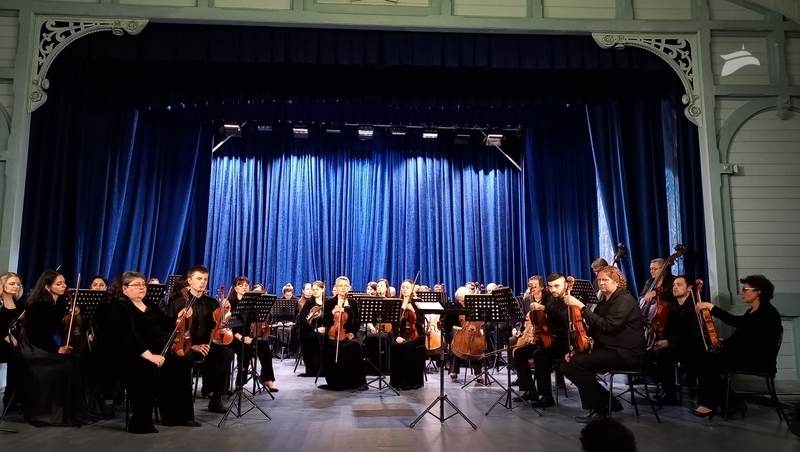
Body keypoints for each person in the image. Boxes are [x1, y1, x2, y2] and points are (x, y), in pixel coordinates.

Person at [690, 274, 782, 420]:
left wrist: (710, 307)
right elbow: (741, 335)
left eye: (745, 289)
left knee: (708, 361)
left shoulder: (768, 313)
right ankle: (733, 403)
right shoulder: (751, 312)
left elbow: (742, 330)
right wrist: (722, 345)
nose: (741, 292)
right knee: (703, 358)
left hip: (758, 360)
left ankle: (711, 404)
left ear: (758, 291)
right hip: (747, 355)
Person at [562, 266, 646, 423]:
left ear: (616, 282)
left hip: (626, 353)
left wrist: (581, 306)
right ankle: (609, 402)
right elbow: (594, 328)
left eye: (605, 280)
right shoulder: (605, 301)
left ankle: (600, 409)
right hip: (610, 349)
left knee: (578, 364)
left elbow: (607, 326)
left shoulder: (624, 300)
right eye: (599, 280)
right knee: (566, 365)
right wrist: (578, 350)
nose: (601, 283)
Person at [103, 271, 167, 433]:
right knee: (148, 370)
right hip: (123, 354)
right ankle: (140, 421)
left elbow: (167, 323)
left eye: (143, 284)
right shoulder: (118, 306)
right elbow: (128, 336)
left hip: (148, 351)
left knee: (177, 363)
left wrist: (180, 316)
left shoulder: (149, 303)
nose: (142, 288)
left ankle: (173, 416)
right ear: (125, 288)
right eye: (137, 285)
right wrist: (150, 356)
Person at [165, 266, 234, 413]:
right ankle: (184, 404)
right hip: (185, 345)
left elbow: (217, 327)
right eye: (199, 279)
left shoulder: (212, 303)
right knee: (184, 357)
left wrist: (224, 312)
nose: (202, 282)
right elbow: (169, 329)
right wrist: (193, 346)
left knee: (226, 353)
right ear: (189, 280)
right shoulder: (178, 302)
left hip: (206, 344)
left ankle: (216, 399)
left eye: (205, 279)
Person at [20, 269, 83, 426]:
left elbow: (61, 326)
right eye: (59, 284)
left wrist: (72, 313)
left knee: (78, 359)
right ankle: (51, 412)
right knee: (68, 363)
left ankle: (70, 409)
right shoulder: (37, 306)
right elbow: (36, 336)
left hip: (46, 346)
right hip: (35, 350)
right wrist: (56, 349)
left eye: (64, 282)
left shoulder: (58, 303)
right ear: (47, 287)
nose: (64, 286)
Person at [512, 273, 570, 407]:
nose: (553, 290)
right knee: (519, 352)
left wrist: (545, 309)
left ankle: (546, 396)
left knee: (539, 354)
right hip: (546, 339)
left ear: (565, 285)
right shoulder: (551, 300)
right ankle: (530, 390)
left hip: (562, 343)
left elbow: (563, 319)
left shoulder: (567, 300)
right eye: (551, 287)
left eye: (556, 286)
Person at [648, 275, 704, 405]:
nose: (675, 287)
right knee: (646, 354)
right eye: (674, 285)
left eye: (679, 285)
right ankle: (666, 384)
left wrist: (668, 342)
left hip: (690, 345)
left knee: (662, 354)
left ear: (689, 288)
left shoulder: (695, 307)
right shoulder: (672, 307)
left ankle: (670, 395)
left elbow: (693, 334)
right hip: (673, 343)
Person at [225, 276, 277, 392]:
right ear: (235, 288)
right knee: (244, 348)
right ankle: (240, 381)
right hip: (233, 337)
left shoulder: (253, 303)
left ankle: (268, 379)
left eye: (246, 285)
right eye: (241, 285)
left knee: (264, 345)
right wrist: (241, 337)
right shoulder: (230, 303)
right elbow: (228, 326)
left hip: (248, 336)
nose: (244, 287)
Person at [319, 276, 366, 390]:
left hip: (347, 334)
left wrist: (352, 333)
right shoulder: (329, 302)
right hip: (332, 335)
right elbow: (324, 321)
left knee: (355, 345)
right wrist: (332, 312)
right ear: (336, 287)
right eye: (340, 286)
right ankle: (337, 380)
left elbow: (357, 321)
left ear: (349, 288)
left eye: (346, 286)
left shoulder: (353, 303)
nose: (343, 288)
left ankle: (353, 381)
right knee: (335, 347)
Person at [389, 279, 425, 390]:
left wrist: (414, 310)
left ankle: (410, 382)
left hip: (416, 335)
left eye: (407, 287)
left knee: (407, 346)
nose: (405, 289)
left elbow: (422, 322)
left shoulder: (418, 302)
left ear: (412, 289)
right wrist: (397, 336)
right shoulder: (397, 302)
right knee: (395, 346)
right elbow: (394, 323)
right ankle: (396, 381)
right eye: (403, 287)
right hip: (402, 334)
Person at [447, 286, 483, 383]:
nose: (465, 302)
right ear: (458, 299)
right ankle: (454, 370)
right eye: (462, 300)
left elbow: (481, 321)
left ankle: (478, 372)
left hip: (472, 330)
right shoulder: (453, 307)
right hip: (456, 330)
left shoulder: (474, 307)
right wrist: (458, 328)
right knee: (458, 339)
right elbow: (447, 325)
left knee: (475, 343)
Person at [0, 272, 23, 412]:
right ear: (3, 285)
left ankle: (12, 400)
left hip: (14, 342)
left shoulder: (20, 304)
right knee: (15, 355)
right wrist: (12, 341)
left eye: (18, 284)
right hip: (2, 341)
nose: (16, 286)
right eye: (12, 283)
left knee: (19, 358)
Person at [297, 281, 326, 377]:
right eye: (313, 289)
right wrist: (315, 329)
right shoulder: (309, 302)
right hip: (308, 330)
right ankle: (313, 368)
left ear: (323, 290)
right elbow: (302, 320)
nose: (315, 291)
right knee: (317, 338)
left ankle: (325, 368)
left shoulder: (327, 303)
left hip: (322, 330)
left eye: (317, 289)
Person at [364, 278, 391, 374]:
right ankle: (371, 368)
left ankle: (384, 368)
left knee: (385, 337)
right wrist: (372, 327)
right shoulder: (371, 301)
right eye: (378, 286)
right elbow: (367, 317)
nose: (379, 287)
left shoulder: (391, 301)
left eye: (382, 286)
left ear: (386, 288)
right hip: (373, 328)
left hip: (386, 330)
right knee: (369, 337)